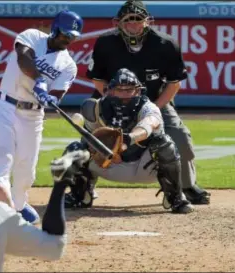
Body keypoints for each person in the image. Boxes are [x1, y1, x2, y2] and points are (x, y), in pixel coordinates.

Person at [86, 0, 210, 204]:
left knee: (181, 138)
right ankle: (85, 185)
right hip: (111, 99)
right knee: (90, 138)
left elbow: (173, 83)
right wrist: (113, 102)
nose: (133, 25)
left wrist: (151, 110)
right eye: (128, 21)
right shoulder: (105, 42)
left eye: (138, 20)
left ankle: (186, 185)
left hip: (154, 99)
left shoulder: (165, 44)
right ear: (118, 23)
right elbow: (98, 79)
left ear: (147, 21)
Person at [0, 10, 83, 224]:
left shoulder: (68, 65)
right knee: (3, 160)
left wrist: (50, 99)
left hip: (32, 116)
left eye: (72, 37)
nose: (67, 40)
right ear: (55, 29)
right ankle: (1, 211)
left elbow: (57, 94)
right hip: (5, 106)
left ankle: (19, 206)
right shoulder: (32, 36)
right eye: (65, 35)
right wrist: (39, 81)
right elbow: (24, 59)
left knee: (27, 171)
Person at [62, 68, 194, 214]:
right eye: (120, 89)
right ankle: (80, 194)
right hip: (109, 164)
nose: (125, 94)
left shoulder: (149, 107)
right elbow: (89, 140)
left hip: (144, 166)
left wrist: (129, 138)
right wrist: (107, 151)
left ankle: (174, 197)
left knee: (165, 144)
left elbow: (149, 124)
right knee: (76, 149)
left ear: (138, 91)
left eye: (130, 90)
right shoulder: (94, 108)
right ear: (111, 91)